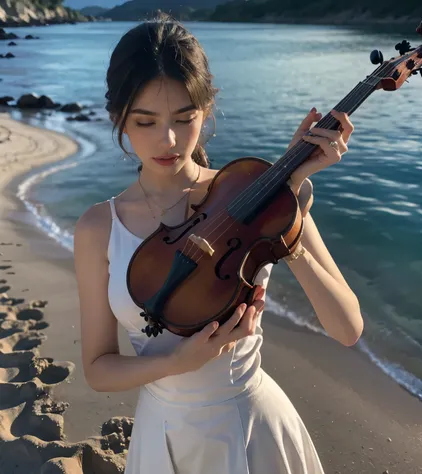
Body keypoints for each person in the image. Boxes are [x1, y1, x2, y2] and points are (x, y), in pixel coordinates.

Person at [73, 12, 364, 474]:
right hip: (163, 434)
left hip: (254, 426)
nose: (168, 139)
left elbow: (348, 329)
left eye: (184, 118)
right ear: (118, 119)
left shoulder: (255, 193)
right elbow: (98, 368)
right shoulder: (97, 228)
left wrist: (289, 210)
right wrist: (179, 361)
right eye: (145, 121)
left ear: (206, 111)